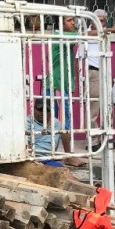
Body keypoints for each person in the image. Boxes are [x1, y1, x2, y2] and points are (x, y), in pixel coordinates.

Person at [79, 9, 115, 150]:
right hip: (93, 73)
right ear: (91, 21)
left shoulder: (104, 35)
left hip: (105, 73)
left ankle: (107, 140)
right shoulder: (86, 34)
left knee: (109, 108)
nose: (100, 24)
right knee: (93, 110)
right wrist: (81, 79)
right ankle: (92, 142)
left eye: (103, 21)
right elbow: (78, 60)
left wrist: (110, 75)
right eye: (97, 20)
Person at [48, 15, 85, 167]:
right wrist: (108, 30)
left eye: (73, 21)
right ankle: (68, 155)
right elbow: (85, 36)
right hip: (58, 85)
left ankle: (53, 153)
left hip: (59, 84)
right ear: (61, 23)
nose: (73, 23)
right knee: (63, 122)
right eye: (69, 21)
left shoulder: (61, 37)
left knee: (55, 121)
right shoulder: (60, 36)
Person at [26, 99, 64, 167]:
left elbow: (65, 135)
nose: (42, 112)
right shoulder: (27, 122)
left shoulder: (56, 123)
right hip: (32, 158)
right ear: (33, 109)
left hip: (49, 158)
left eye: (46, 110)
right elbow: (25, 146)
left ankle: (71, 158)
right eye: (39, 109)